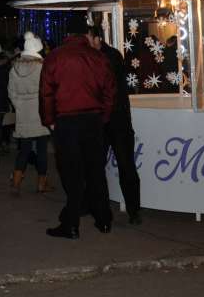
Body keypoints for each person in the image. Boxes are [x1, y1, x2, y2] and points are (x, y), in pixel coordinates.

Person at [39, 18, 116, 240]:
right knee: (96, 172)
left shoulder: (55, 57)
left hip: (66, 122)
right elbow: (110, 92)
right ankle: (103, 220)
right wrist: (103, 117)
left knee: (72, 175)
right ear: (85, 34)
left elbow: (46, 94)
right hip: (92, 120)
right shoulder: (98, 57)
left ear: (67, 34)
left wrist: (50, 120)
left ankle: (71, 225)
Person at [86, 26, 141, 225]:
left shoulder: (110, 57)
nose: (86, 41)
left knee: (126, 165)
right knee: (96, 166)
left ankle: (134, 210)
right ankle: (98, 208)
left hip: (117, 120)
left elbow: (105, 89)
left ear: (98, 38)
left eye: (88, 37)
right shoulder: (97, 56)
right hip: (103, 119)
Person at [8, 32, 53, 195]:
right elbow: (48, 91)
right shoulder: (42, 67)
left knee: (24, 149)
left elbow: (11, 92)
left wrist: (19, 106)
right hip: (40, 113)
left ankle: (17, 181)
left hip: (23, 113)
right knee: (41, 148)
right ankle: (42, 183)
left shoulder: (14, 68)